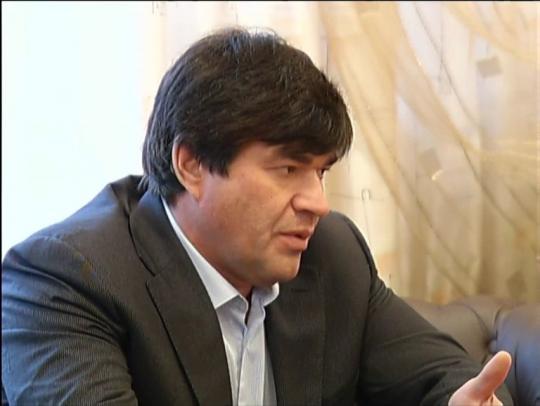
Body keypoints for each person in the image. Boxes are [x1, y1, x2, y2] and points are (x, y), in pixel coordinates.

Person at [2, 27, 512, 406]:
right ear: (192, 165)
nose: (317, 202)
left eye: (321, 172)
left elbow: (452, 379)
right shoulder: (65, 279)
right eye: (288, 168)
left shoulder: (331, 253)